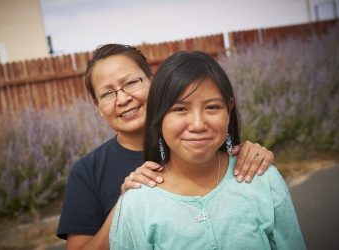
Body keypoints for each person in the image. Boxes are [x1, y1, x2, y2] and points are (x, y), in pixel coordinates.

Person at [57, 44, 275, 249]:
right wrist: (125, 205)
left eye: (131, 83)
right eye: (106, 94)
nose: (122, 99)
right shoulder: (87, 172)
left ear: (153, 81)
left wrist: (250, 154)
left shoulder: (198, 140)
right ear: (98, 107)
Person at [109, 50, 306, 249]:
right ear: (158, 116)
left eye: (211, 107)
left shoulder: (261, 179)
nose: (197, 124)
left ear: (229, 109)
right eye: (180, 109)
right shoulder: (137, 205)